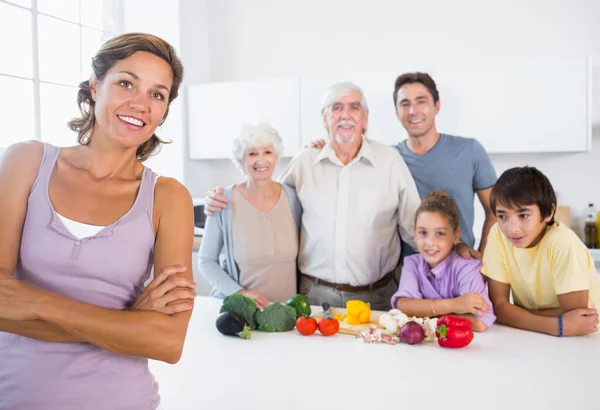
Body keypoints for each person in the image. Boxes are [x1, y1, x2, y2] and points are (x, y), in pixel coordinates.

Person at [0, 33, 196, 409]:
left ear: (164, 111)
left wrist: (37, 302)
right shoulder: (26, 163)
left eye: (157, 94)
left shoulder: (168, 198)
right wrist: (126, 324)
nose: (139, 104)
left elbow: (167, 343)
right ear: (94, 86)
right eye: (126, 83)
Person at [205, 82, 421, 310]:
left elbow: (415, 229)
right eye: (337, 108)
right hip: (314, 297)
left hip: (378, 297)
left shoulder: (390, 161)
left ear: (365, 118)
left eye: (354, 107)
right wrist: (217, 199)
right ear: (325, 118)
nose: (345, 115)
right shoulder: (305, 162)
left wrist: (451, 254)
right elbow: (268, 197)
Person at [482, 166, 600, 337]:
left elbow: (577, 315)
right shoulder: (497, 235)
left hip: (588, 337)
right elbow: (498, 307)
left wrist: (514, 313)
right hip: (542, 334)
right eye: (502, 216)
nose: (512, 229)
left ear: (548, 212)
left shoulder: (562, 242)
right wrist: (558, 325)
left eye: (523, 215)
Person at [393, 72, 497, 257]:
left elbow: (496, 211)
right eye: (405, 104)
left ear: (437, 106)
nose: (413, 110)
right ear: (397, 112)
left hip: (459, 265)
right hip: (407, 272)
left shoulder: (470, 150)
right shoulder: (389, 158)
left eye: (421, 101)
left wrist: (481, 259)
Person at [198, 123, 302, 308]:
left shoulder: (293, 198)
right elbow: (206, 261)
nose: (261, 160)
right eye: (252, 154)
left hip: (289, 315)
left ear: (277, 156)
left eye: (267, 152)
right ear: (240, 160)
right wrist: (239, 293)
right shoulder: (223, 201)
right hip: (242, 314)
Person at [391, 190, 495, 332]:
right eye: (423, 233)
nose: (430, 242)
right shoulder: (412, 264)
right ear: (414, 233)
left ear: (456, 235)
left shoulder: (466, 267)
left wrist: (424, 315)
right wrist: (454, 305)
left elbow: (479, 322)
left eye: (440, 233)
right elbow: (402, 305)